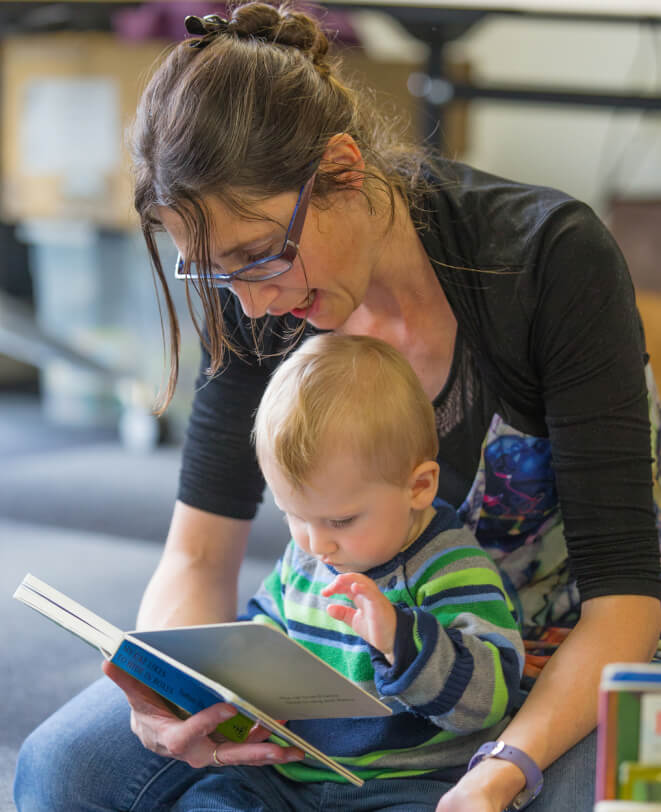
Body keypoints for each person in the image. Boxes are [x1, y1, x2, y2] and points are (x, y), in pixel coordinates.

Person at [14, 2, 661, 811]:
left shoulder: (548, 261)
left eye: (260, 256)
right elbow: (197, 558)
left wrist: (499, 773)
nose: (251, 307)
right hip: (342, 688)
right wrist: (176, 694)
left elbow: (625, 603)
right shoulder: (253, 291)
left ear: (344, 170)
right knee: (61, 773)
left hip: (539, 667)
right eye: (214, 275)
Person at [209, 331, 524, 806]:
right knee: (209, 796)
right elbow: (265, 626)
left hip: (406, 783)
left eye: (340, 519)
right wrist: (241, 689)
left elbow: (489, 698)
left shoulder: (450, 568)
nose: (315, 542)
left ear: (419, 486)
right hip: (292, 773)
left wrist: (402, 640)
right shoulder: (307, 557)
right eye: (293, 515)